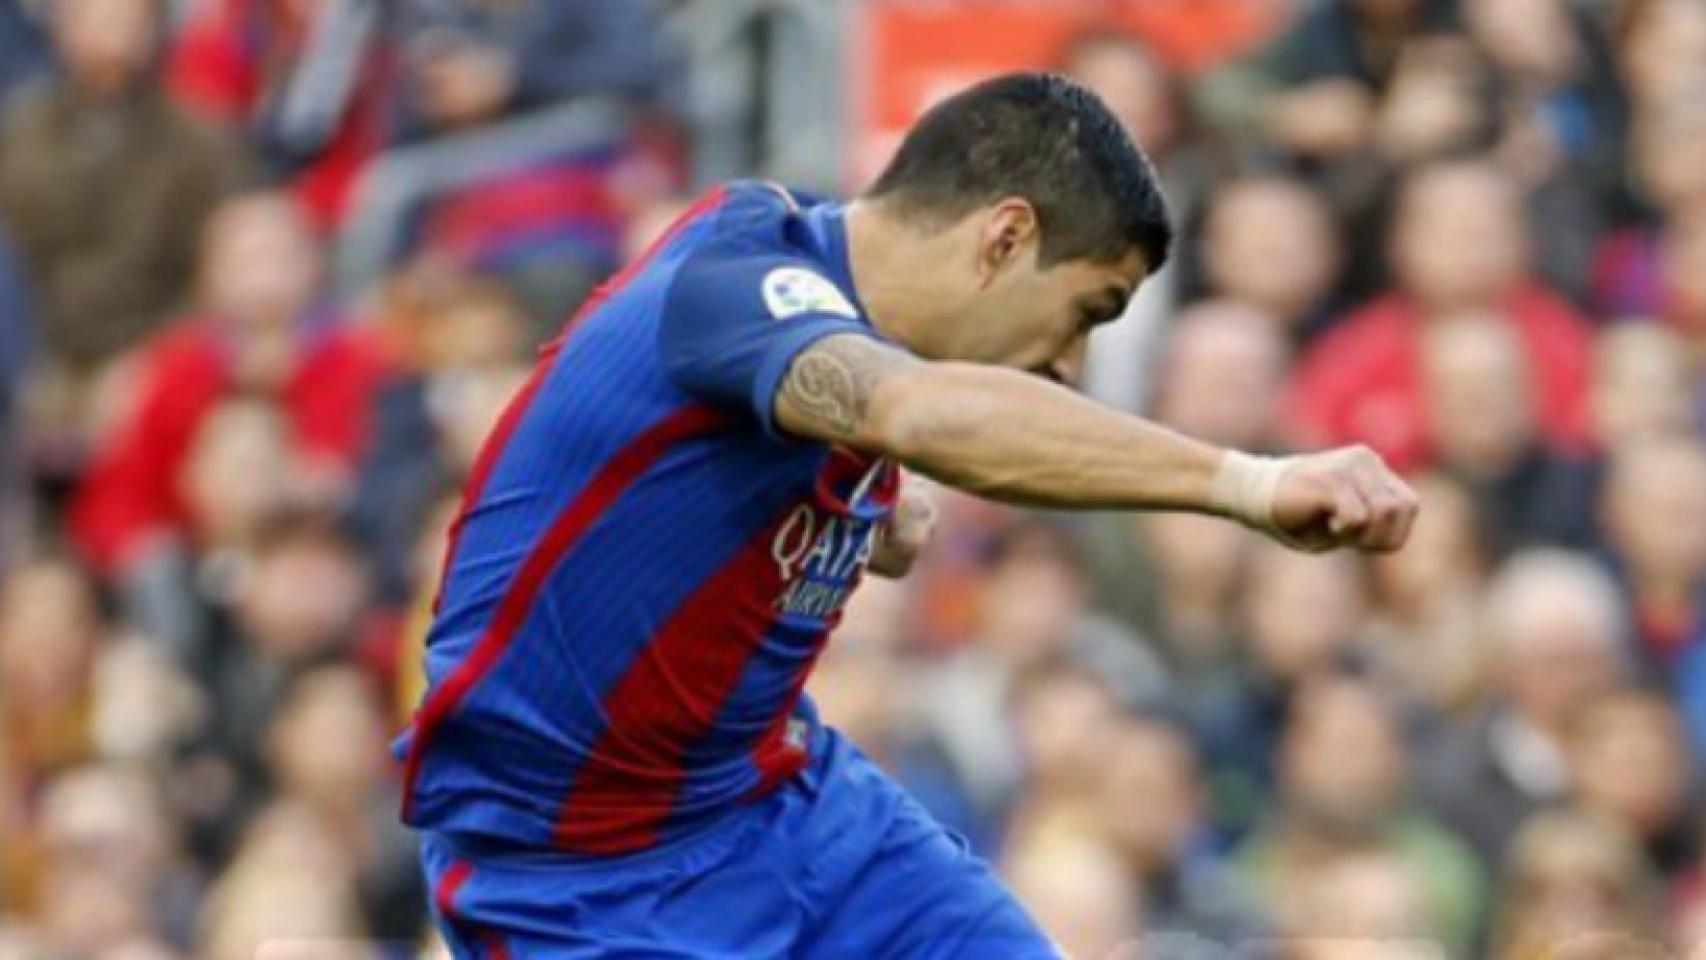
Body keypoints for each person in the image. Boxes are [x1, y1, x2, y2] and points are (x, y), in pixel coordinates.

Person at [397, 72, 1417, 957]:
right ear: (1004, 235)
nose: (1069, 365)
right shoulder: (736, 277)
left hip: (783, 811)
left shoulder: (839, 360)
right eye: (1086, 310)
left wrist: (861, 512)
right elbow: (915, 411)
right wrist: (1248, 482)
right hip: (574, 871)